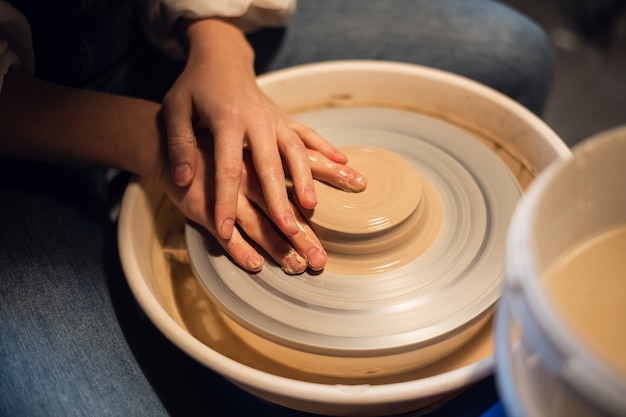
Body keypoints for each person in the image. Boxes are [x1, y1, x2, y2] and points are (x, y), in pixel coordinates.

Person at [0, 1, 554, 415]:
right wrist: (163, 147)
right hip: (22, 129)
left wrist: (219, 44)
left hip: (150, 29)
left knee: (513, 52)